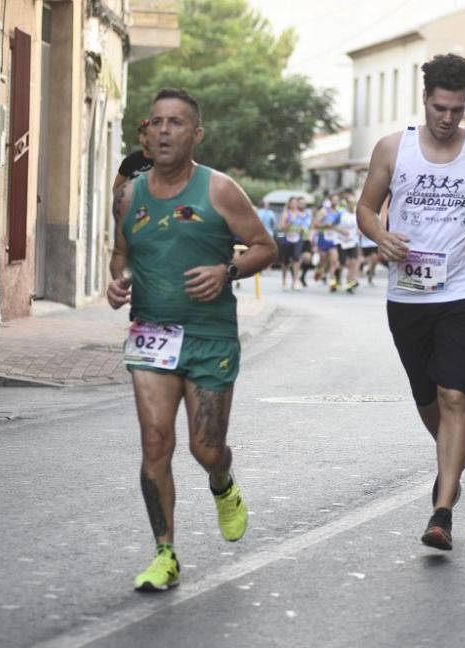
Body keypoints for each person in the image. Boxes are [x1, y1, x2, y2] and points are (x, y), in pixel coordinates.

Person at [106, 88, 277, 592]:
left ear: (195, 134)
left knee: (206, 448)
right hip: (151, 335)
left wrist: (226, 270)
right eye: (156, 122)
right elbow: (122, 254)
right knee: (155, 442)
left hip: (209, 337)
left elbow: (267, 247)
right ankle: (164, 553)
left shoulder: (219, 190)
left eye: (176, 123)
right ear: (145, 131)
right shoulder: (130, 195)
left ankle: (222, 483)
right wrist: (118, 281)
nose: (163, 131)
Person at [356, 53, 465, 551]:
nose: (447, 119)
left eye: (457, 109)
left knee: (455, 397)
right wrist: (380, 236)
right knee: (427, 397)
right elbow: (364, 207)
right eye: (440, 108)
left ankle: (442, 511)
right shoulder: (392, 149)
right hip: (407, 295)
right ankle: (454, 459)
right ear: (424, 100)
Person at [112, 119, 154, 194]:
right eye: (145, 134)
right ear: (139, 137)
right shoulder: (130, 161)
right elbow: (116, 188)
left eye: (152, 135)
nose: (148, 139)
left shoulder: (167, 161)